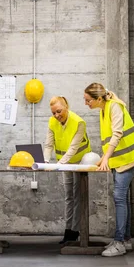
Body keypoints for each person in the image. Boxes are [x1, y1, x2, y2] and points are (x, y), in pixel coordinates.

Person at [84, 83, 134, 257]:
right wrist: (105, 159)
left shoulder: (114, 107)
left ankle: (119, 242)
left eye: (88, 100)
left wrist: (105, 158)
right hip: (119, 159)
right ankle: (125, 240)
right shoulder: (104, 109)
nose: (86, 103)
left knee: (119, 197)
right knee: (123, 198)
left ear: (98, 99)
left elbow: (117, 134)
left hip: (128, 158)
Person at [43, 96, 91, 244]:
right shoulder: (52, 122)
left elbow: (72, 149)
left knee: (77, 195)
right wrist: (45, 162)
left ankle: (75, 231)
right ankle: (68, 230)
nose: (57, 116)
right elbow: (49, 145)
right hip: (63, 163)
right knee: (68, 197)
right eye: (54, 113)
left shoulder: (79, 122)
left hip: (79, 162)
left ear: (66, 106)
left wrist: (58, 165)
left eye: (59, 111)